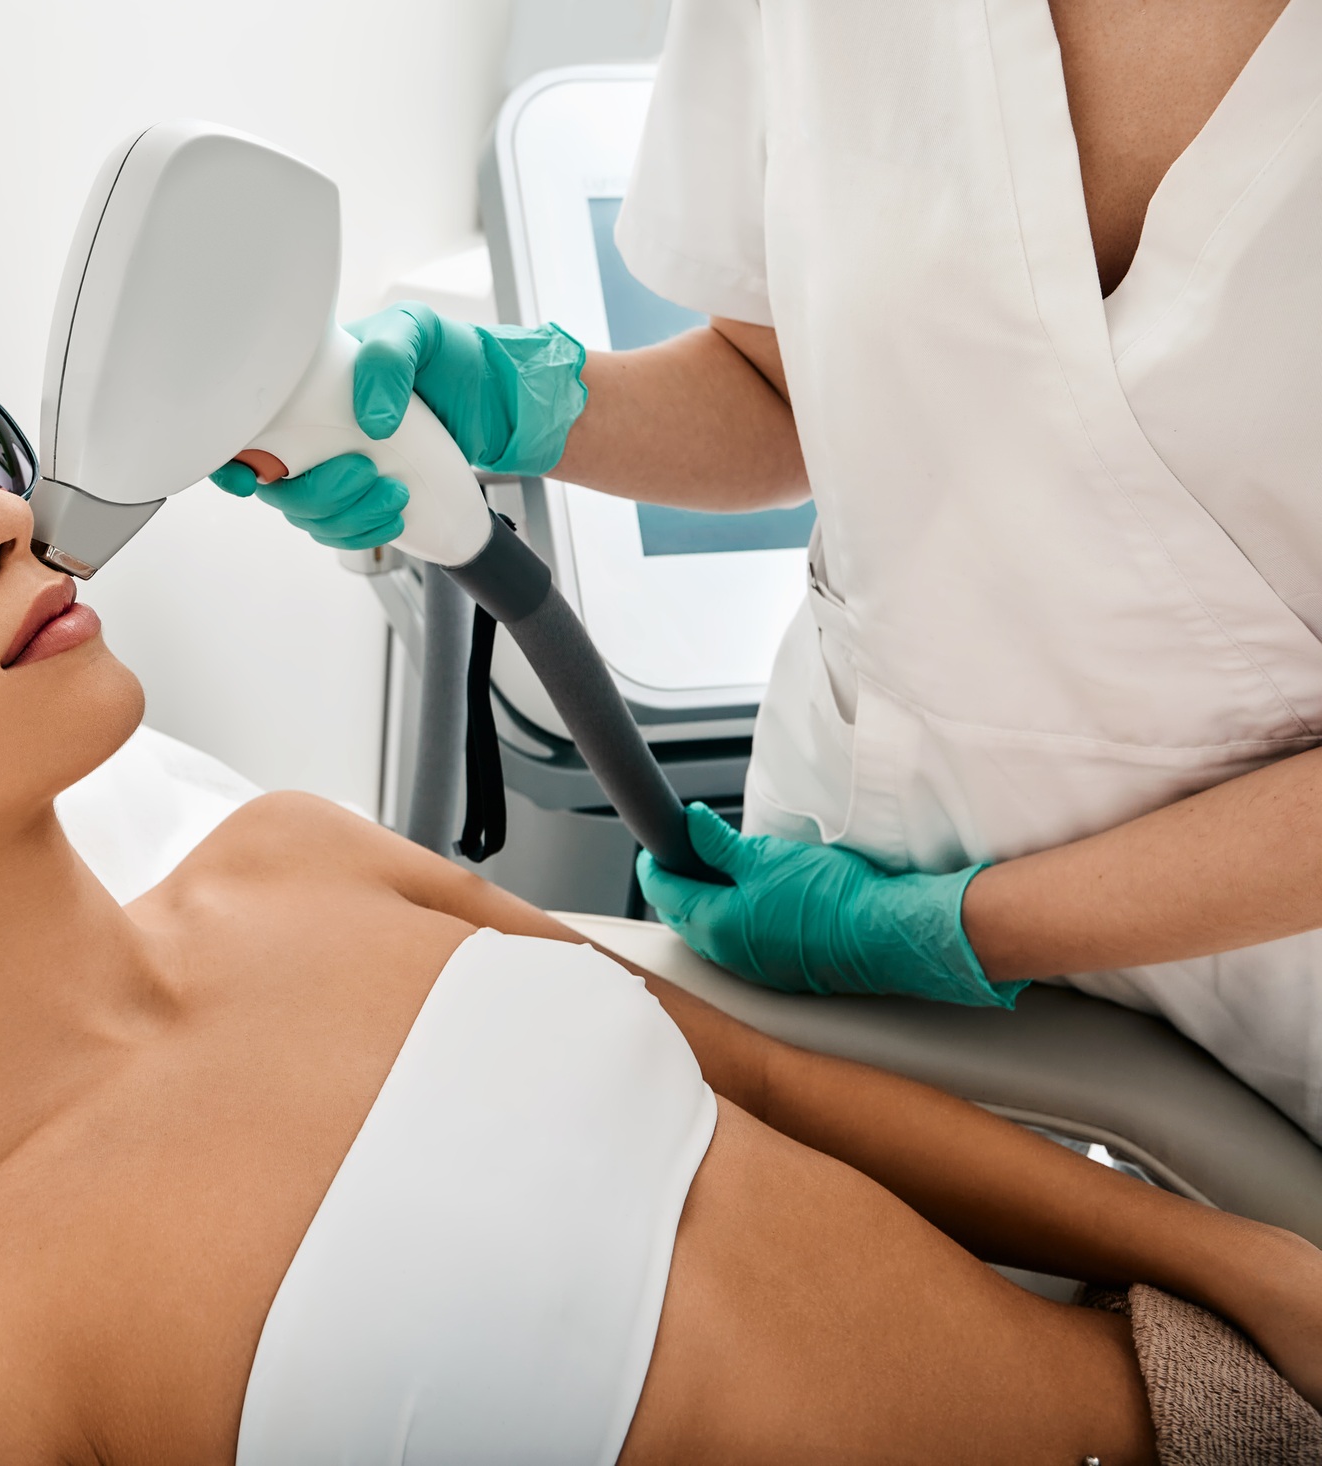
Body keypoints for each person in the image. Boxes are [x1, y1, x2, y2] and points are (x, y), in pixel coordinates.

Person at [0, 338, 1322, 1462]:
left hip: (1205, 1395)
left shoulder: (295, 860)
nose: (0, 521)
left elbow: (764, 1088)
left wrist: (1243, 1266)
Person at [220, 0, 1322, 1142]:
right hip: (865, 870)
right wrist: (526, 403)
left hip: (1276, 980)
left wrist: (958, 927)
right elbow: (776, 388)